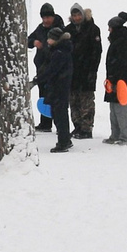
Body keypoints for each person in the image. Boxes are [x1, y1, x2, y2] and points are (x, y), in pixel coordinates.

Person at [34, 11, 77, 151]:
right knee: (60, 114)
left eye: (50, 39)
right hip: (60, 87)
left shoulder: (59, 53)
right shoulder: (61, 51)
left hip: (59, 87)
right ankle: (65, 140)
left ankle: (63, 142)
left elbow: (51, 70)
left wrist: (37, 80)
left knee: (60, 115)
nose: (47, 41)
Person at [67, 4, 103, 140]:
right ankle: (77, 126)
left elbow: (97, 52)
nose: (76, 18)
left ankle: (87, 128)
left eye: (78, 15)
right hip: (72, 72)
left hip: (87, 71)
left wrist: (92, 70)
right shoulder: (68, 30)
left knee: (86, 101)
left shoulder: (93, 30)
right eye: (74, 15)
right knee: (73, 101)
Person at [104, 13, 127, 143]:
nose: (108, 30)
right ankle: (115, 134)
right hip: (113, 79)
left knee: (121, 108)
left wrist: (117, 80)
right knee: (113, 108)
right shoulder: (117, 41)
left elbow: (121, 63)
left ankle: (125, 136)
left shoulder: (121, 42)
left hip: (120, 80)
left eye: (110, 27)